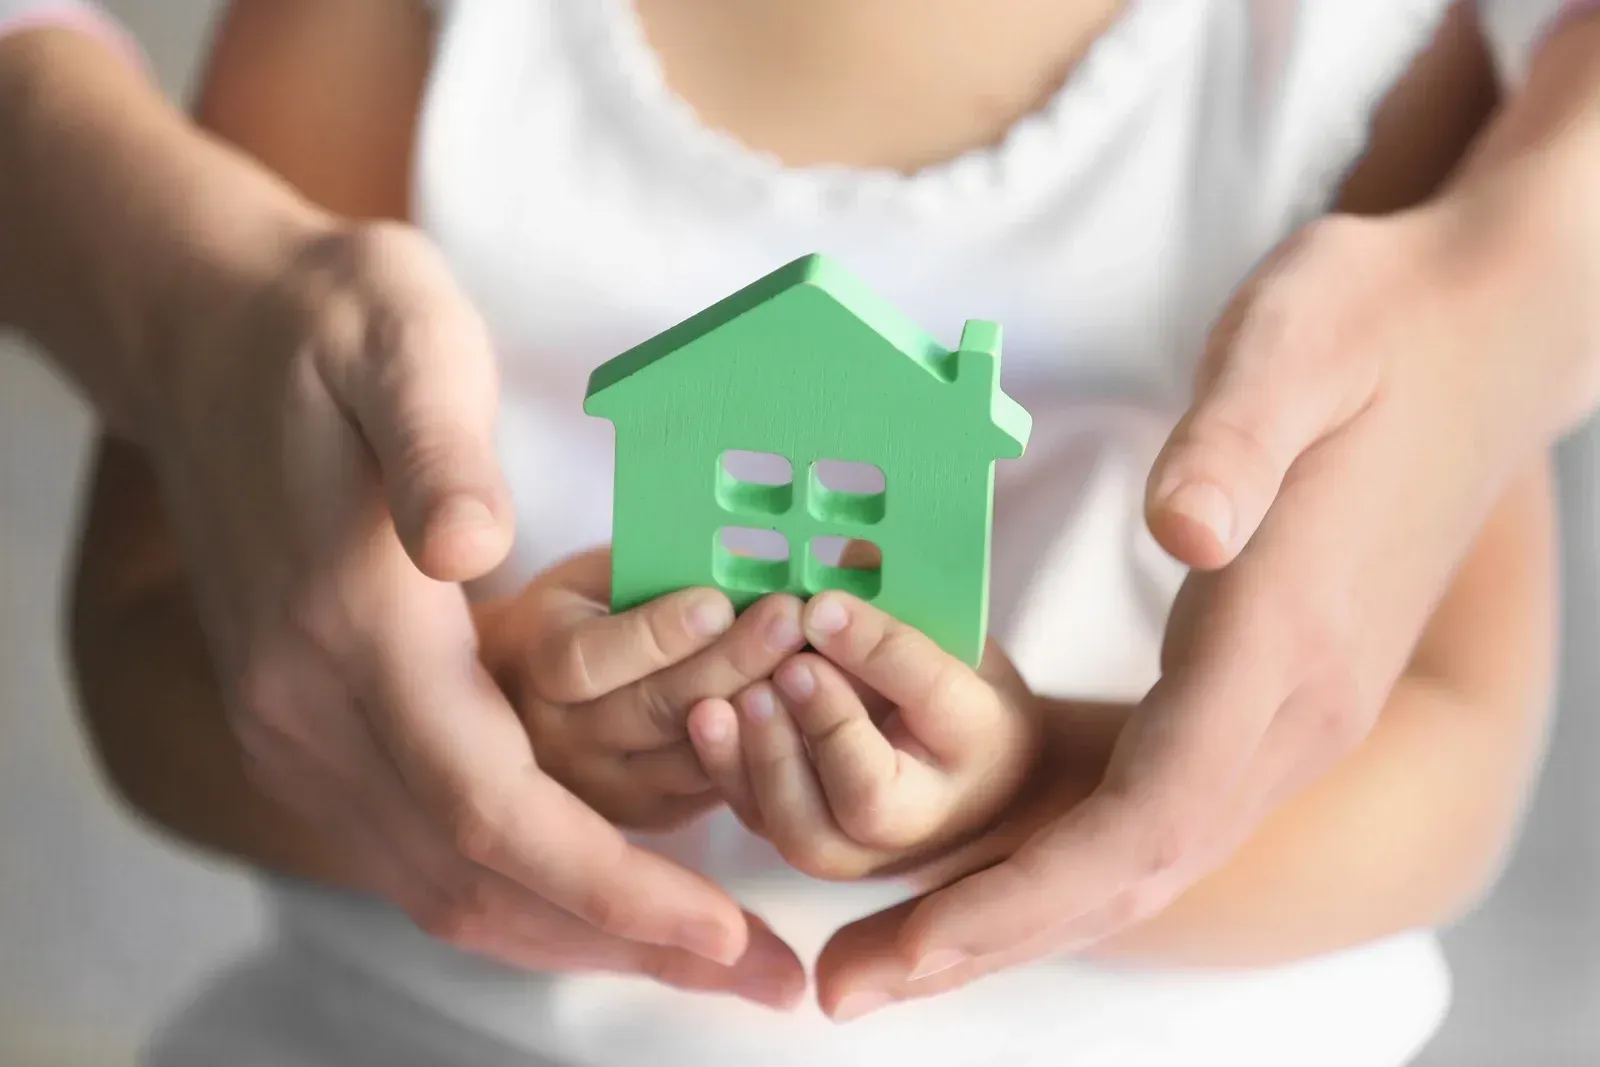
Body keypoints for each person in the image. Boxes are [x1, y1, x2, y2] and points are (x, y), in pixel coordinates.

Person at [37, 1, 1586, 1065]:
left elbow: (1441, 737)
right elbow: (160, 625)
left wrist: (1048, 797)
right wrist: (484, 726)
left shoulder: (1353, 52)